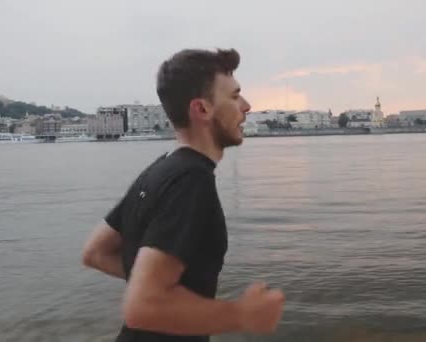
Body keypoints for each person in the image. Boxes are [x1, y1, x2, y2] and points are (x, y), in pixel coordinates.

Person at [82, 48, 285, 341]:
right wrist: (242, 314)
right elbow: (141, 308)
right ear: (202, 109)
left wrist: (168, 288)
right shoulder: (192, 181)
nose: (247, 105)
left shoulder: (160, 168)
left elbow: (96, 252)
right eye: (234, 96)